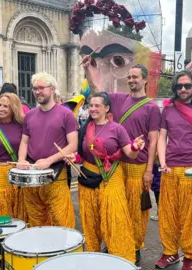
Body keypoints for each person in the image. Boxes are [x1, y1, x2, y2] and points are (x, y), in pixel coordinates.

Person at [82, 58, 161, 265]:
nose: (131, 79)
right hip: (115, 166)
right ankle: (114, 241)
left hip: (137, 166)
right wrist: (88, 69)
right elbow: (96, 90)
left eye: (135, 76)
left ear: (145, 80)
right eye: (130, 76)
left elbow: (153, 141)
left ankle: (134, 247)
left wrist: (149, 170)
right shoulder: (118, 99)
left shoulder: (152, 108)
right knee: (114, 210)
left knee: (135, 211)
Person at [65, 92, 145, 263]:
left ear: (107, 108)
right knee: (91, 223)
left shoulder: (117, 128)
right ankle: (95, 260)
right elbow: (82, 155)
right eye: (91, 105)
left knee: (116, 221)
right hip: (88, 178)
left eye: (97, 106)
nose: (92, 109)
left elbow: (129, 154)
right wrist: (74, 159)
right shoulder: (85, 128)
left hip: (111, 178)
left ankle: (122, 260)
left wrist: (135, 147)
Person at [155, 69, 192, 270]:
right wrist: (162, 161)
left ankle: (190, 256)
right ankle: (170, 252)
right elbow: (162, 137)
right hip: (170, 167)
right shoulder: (169, 109)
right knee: (167, 212)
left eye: (187, 85)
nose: (183, 89)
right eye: (179, 85)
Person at [17, 72, 77, 228]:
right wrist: (21, 159)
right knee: (35, 218)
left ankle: (64, 251)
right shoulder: (29, 115)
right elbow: (24, 142)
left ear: (52, 89)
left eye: (41, 88)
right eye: (35, 88)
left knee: (61, 218)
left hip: (56, 173)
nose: (37, 92)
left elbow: (73, 145)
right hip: (32, 172)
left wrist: (49, 160)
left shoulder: (66, 115)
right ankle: (42, 250)